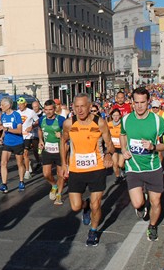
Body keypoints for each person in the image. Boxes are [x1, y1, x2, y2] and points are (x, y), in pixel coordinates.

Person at [60, 94, 115, 246]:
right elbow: (63, 142)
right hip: (76, 169)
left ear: (90, 106)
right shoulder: (69, 123)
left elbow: (110, 144)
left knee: (96, 204)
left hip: (96, 168)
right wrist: (64, 164)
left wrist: (109, 155)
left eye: (83, 106)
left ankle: (93, 230)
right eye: (76, 106)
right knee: (75, 206)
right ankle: (85, 207)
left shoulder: (100, 123)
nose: (80, 110)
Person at [119, 87, 164, 242]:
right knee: (137, 202)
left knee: (156, 201)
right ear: (132, 102)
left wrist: (153, 147)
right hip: (133, 167)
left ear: (148, 102)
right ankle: (141, 205)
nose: (139, 106)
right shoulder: (126, 119)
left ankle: (152, 226)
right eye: (136, 102)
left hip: (153, 167)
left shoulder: (157, 121)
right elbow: (122, 135)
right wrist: (124, 149)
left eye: (143, 102)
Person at [37, 100, 66, 205]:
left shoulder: (61, 120)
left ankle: (59, 195)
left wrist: (62, 135)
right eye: (46, 110)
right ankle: (54, 185)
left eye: (50, 109)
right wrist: (40, 140)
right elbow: (39, 129)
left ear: (54, 109)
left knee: (60, 174)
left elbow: (69, 133)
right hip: (48, 149)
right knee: (46, 174)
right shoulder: (42, 120)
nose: (48, 112)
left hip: (60, 150)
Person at [0, 97, 26, 193]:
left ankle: (21, 181)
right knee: (3, 163)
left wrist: (7, 129)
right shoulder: (3, 116)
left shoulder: (16, 115)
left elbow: (19, 131)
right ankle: (4, 184)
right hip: (7, 143)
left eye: (2, 105)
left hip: (17, 142)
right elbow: (4, 130)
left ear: (8, 105)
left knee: (20, 163)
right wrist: (2, 137)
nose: (0, 107)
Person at [16, 97, 39, 180]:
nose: (19, 106)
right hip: (19, 135)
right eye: (18, 105)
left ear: (25, 104)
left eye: (21, 105)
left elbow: (37, 121)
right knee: (20, 155)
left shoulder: (31, 112)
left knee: (25, 153)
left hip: (28, 135)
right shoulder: (17, 113)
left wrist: (31, 126)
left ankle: (27, 172)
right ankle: (28, 163)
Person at [108, 108, 125, 184]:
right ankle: (118, 177)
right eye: (114, 115)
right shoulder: (109, 124)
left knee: (120, 164)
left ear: (120, 116)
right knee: (115, 163)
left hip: (121, 147)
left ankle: (124, 169)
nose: (115, 117)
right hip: (114, 147)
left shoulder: (123, 124)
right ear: (111, 116)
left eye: (117, 115)